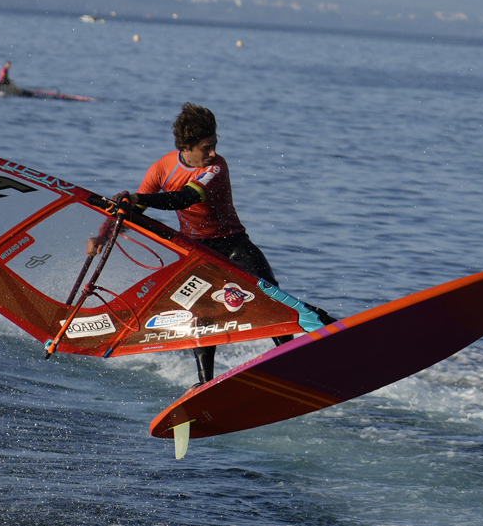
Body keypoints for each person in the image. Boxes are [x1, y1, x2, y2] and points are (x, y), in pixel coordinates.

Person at [93, 103, 335, 389]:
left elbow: (184, 198)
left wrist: (136, 198)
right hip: (198, 251)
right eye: (205, 148)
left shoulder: (216, 167)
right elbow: (133, 211)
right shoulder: (162, 168)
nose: (212, 153)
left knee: (269, 295)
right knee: (202, 313)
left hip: (233, 243)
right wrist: (103, 236)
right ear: (186, 146)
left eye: (214, 145)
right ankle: (205, 383)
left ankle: (291, 362)